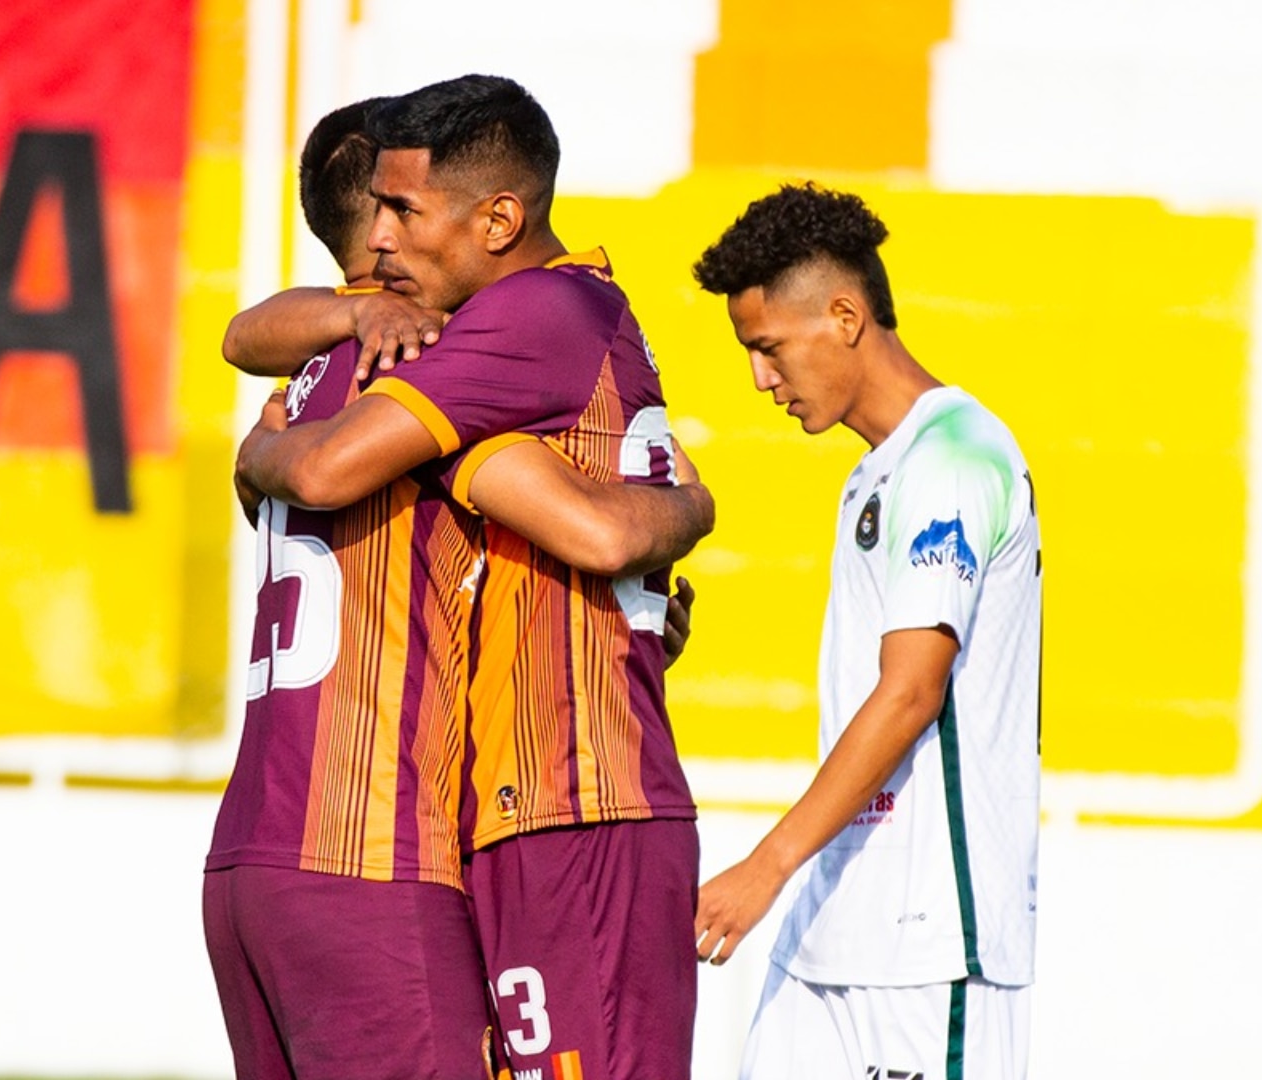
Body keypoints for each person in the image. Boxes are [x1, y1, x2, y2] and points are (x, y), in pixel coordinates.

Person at [203, 97, 711, 1080]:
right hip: (376, 847)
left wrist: (258, 448)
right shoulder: (451, 347)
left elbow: (241, 341)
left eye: (411, 207)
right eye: (390, 208)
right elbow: (594, 527)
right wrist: (690, 512)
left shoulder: (300, 385)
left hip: (250, 861)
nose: (397, 230)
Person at [689, 183, 1041, 1080]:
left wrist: (765, 866)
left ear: (844, 316)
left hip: (929, 948)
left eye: (768, 350)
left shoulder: (957, 455)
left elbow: (913, 689)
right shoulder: (877, 472)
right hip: (834, 929)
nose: (760, 381)